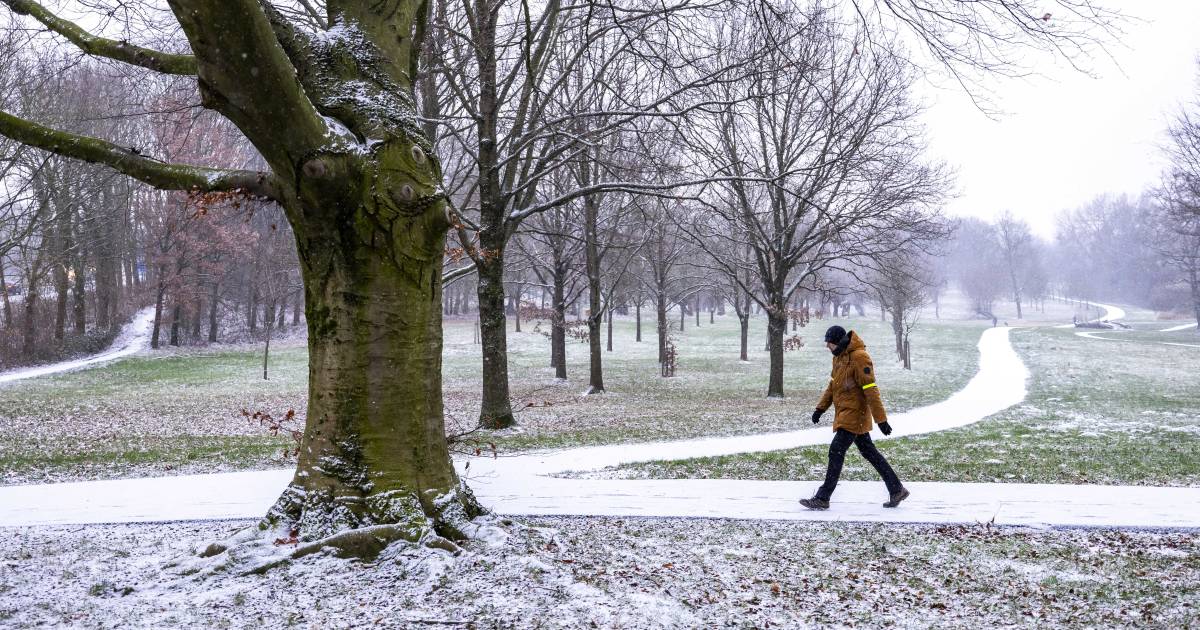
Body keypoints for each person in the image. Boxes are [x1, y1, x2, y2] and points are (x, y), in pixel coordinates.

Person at [800, 325, 909, 510]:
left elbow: (871, 389)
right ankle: (897, 489)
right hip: (845, 413)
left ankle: (822, 497)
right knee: (869, 452)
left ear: (838, 342)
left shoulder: (859, 357)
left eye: (829, 343)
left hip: (855, 414)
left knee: (836, 450)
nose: (827, 346)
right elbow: (832, 386)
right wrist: (820, 409)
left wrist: (881, 420)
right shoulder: (839, 358)